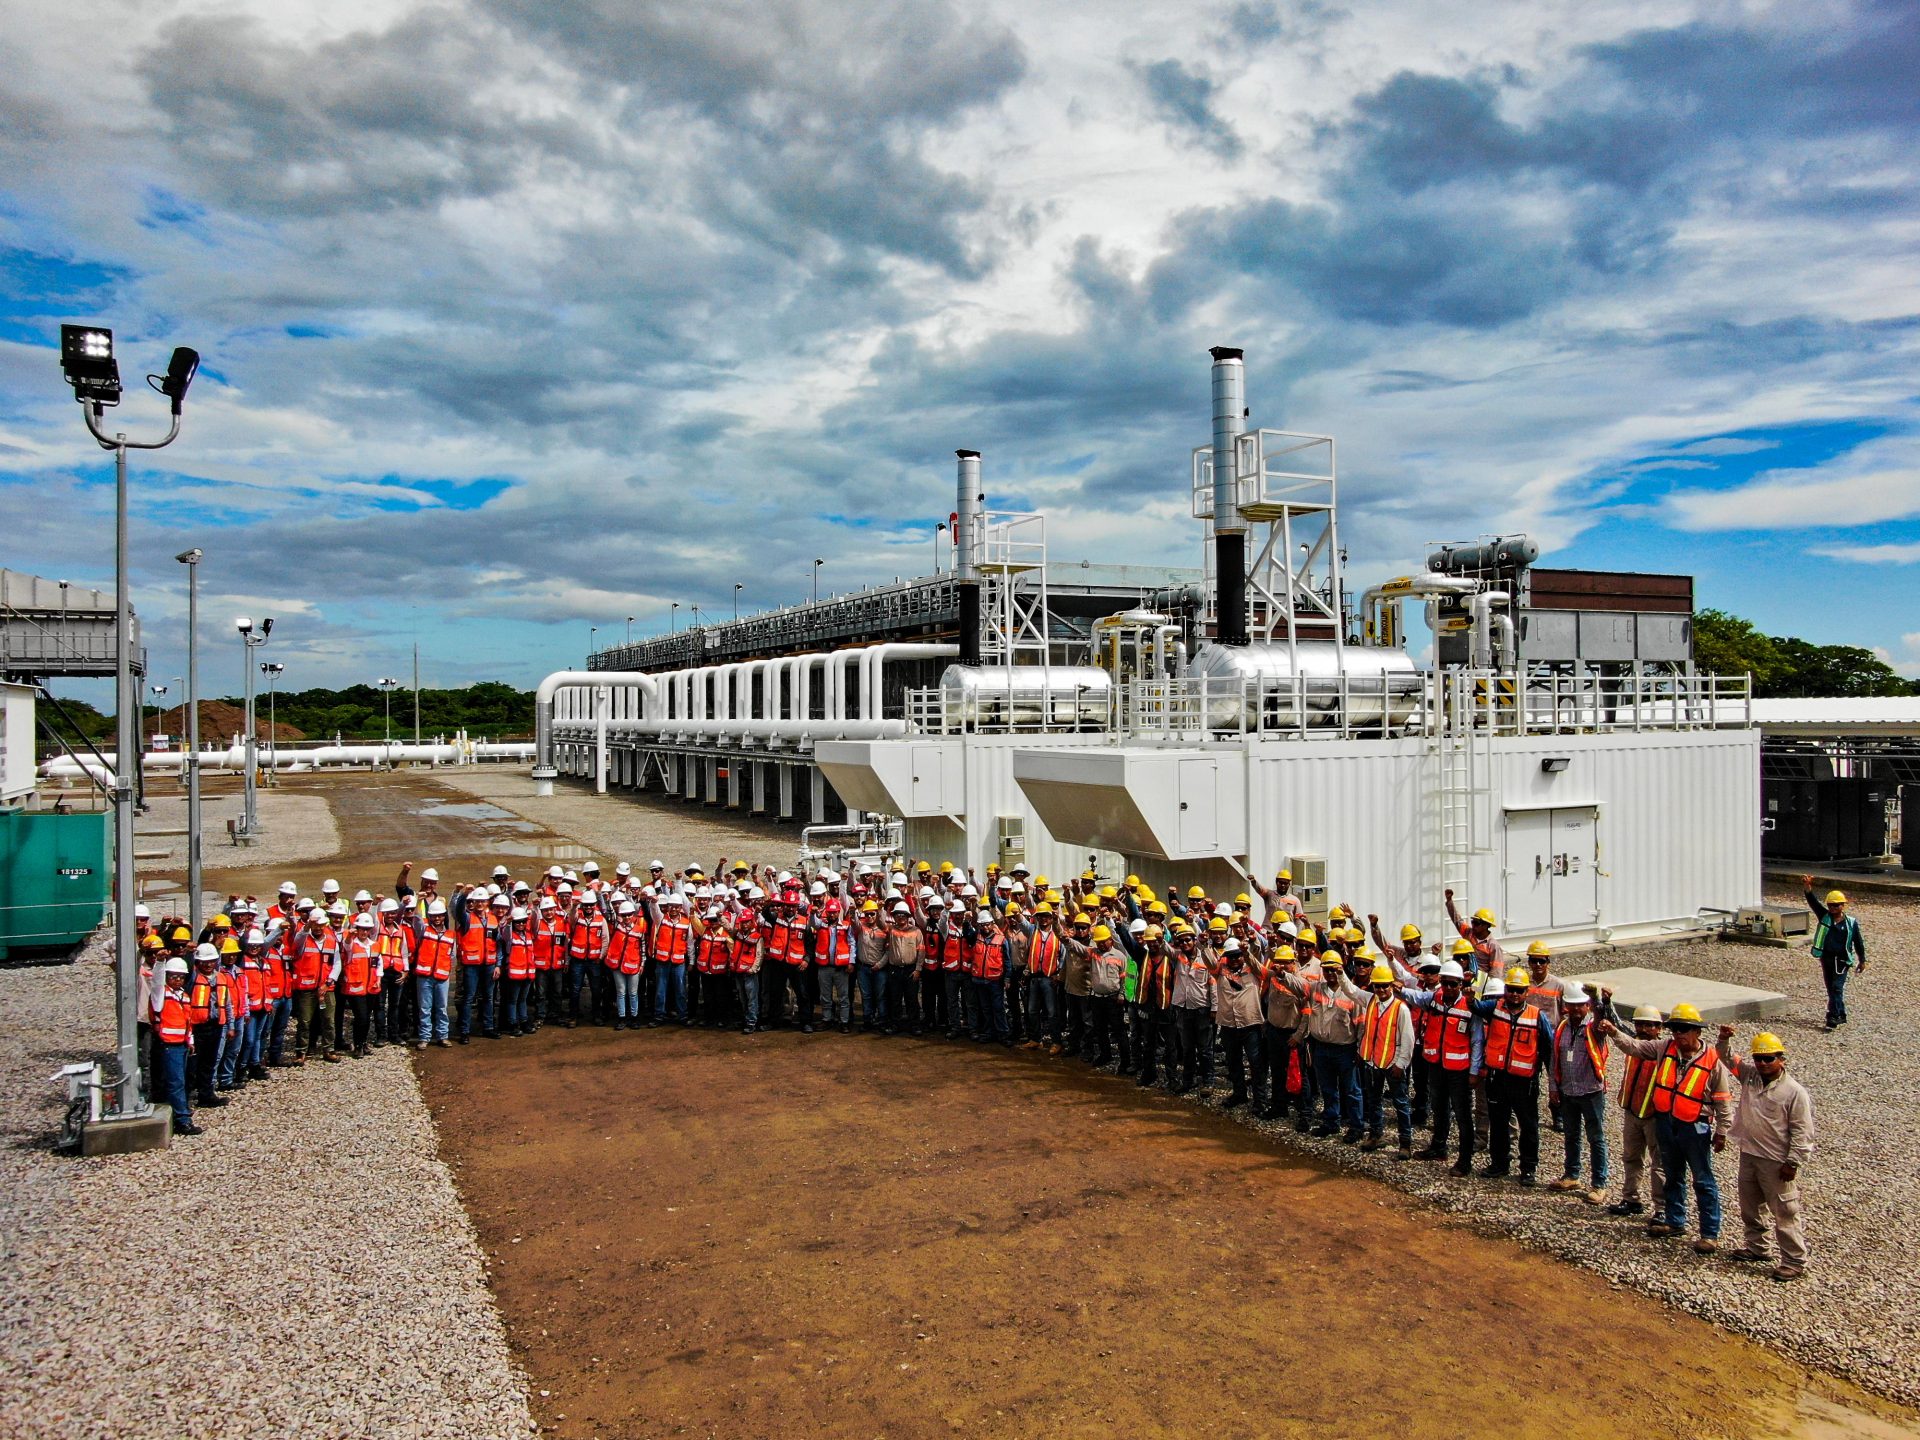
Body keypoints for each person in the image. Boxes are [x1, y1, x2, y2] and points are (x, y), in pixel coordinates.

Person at [1598, 1001, 1734, 1253]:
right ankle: (1674, 1221)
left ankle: (1709, 1233)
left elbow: (1722, 1099)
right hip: (1666, 1123)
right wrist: (1614, 1032)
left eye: (1684, 1029)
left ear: (1697, 1032)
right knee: (1672, 1175)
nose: (1679, 1034)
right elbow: (1634, 1046)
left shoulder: (1712, 1061)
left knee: (1703, 1181)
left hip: (1695, 1127)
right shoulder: (1664, 1048)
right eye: (1675, 1029)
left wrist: (1723, 1131)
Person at [1715, 1027, 1815, 1281]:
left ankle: (1793, 1260)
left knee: (1784, 1211)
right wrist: (1724, 1038)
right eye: (1758, 1058)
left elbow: (1802, 1131)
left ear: (1781, 1059)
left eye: (1768, 1058)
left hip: (1776, 1161)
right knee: (1750, 1207)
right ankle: (1757, 1247)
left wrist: (1793, 1161)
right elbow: (1726, 1057)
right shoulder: (1750, 1077)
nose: (1762, 1063)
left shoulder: (1794, 1092)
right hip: (1749, 1153)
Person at [1473, 973, 1552, 1182]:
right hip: (1497, 1078)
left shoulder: (1537, 1016)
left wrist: (1554, 1084)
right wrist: (1468, 991)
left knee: (1529, 1126)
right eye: (1511, 989)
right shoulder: (1494, 1007)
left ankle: (1528, 1168)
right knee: (1498, 1123)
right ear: (1505, 990)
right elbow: (1475, 1007)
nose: (1514, 994)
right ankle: (1499, 1163)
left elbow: (1548, 1049)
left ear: (1527, 992)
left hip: (1524, 1082)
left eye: (1519, 990)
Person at [1546, 984, 1611, 1203]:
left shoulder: (1594, 1028)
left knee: (1596, 1138)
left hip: (1591, 1091)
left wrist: (1596, 997)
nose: (1575, 1010)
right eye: (1571, 1005)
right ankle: (1572, 1174)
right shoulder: (1563, 1028)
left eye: (1580, 1006)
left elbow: (1602, 1013)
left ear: (1587, 1007)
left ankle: (1599, 1184)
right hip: (1568, 1091)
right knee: (1571, 1135)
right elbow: (1555, 1058)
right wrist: (1554, 1088)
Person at [1605, 1005, 1668, 1217]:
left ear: (1658, 1028)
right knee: (1631, 1157)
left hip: (1654, 1115)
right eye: (1639, 1024)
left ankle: (1661, 1209)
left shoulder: (1663, 1051)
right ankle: (1630, 1198)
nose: (1643, 1028)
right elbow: (1616, 1025)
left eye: (1648, 1025)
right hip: (1632, 1110)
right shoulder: (1633, 1045)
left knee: (1659, 1164)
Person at [1354, 961, 1414, 1154]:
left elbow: (1408, 1039)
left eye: (1384, 986)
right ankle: (1375, 1134)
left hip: (1393, 1063)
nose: (1381, 989)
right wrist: (1339, 974)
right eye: (1377, 986)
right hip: (1373, 1062)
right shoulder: (1371, 1002)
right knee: (1373, 1100)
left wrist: (1401, 1064)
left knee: (1401, 1103)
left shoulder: (1400, 1008)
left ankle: (1405, 1143)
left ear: (1391, 986)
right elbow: (1351, 991)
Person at [1802, 879, 1867, 1030]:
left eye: (1836, 905)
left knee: (1837, 987)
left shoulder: (1851, 923)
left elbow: (1858, 941)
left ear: (1843, 906)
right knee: (1831, 988)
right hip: (1827, 959)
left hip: (1842, 960)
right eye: (1831, 905)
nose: (1833, 908)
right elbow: (1813, 903)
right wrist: (1807, 888)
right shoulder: (1825, 917)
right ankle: (1841, 1013)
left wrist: (1862, 960)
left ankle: (1833, 1016)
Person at [150, 955, 201, 1135]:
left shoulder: (185, 997)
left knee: (184, 1080)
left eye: (180, 977)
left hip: (183, 1045)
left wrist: (191, 1040)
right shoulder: (160, 994)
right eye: (173, 976)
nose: (177, 980)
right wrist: (160, 963)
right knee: (176, 1082)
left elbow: (188, 1021)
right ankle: (182, 1120)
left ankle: (182, 1110)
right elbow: (155, 982)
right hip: (168, 1045)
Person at [413, 900, 456, 1048]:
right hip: (425, 976)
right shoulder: (424, 931)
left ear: (444, 916)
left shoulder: (450, 935)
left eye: (439, 916)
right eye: (434, 916)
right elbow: (417, 919)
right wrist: (418, 901)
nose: (437, 918)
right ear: (430, 916)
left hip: (442, 977)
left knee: (441, 1008)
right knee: (425, 1008)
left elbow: (452, 955)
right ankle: (424, 1038)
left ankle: (442, 1036)